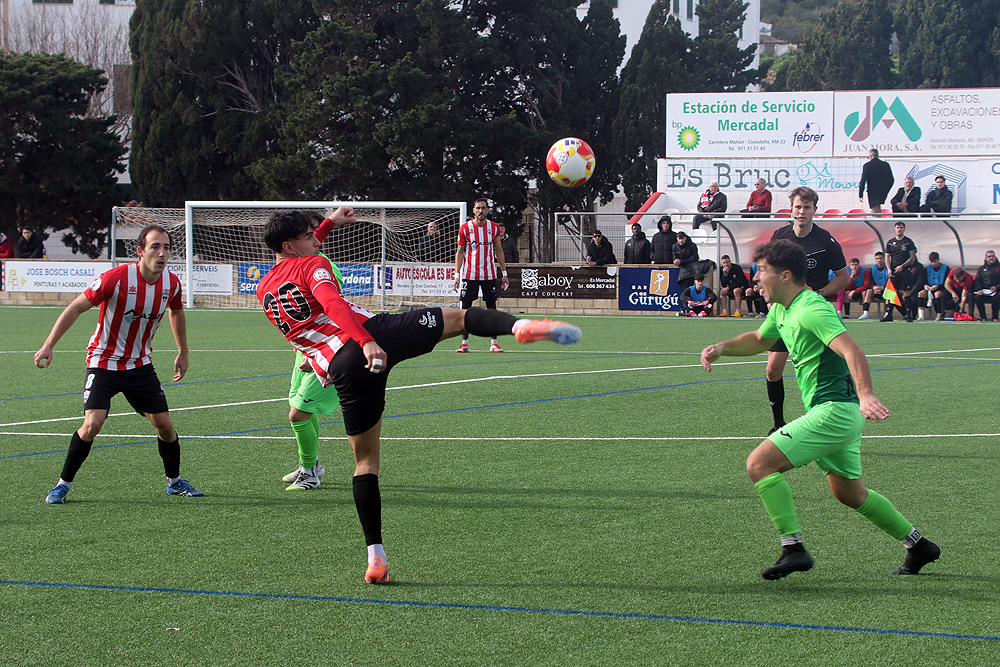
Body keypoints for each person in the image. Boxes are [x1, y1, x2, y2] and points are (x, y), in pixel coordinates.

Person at [256, 209, 582, 584]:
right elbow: (332, 303)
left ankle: (375, 558)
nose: (317, 240)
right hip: (374, 336)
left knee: (365, 463)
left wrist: (330, 222)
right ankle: (520, 326)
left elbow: (305, 279)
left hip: (343, 370)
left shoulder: (265, 289)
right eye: (309, 236)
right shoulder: (313, 264)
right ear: (290, 245)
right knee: (460, 318)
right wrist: (366, 341)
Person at [701, 239, 940, 580]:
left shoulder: (812, 309)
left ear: (785, 276)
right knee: (851, 494)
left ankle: (793, 547)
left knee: (759, 464)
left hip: (835, 412)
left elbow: (851, 350)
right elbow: (760, 339)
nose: (756, 278)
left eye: (762, 271)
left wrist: (866, 395)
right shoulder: (782, 310)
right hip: (839, 415)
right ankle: (919, 545)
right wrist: (722, 348)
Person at [33, 223, 203, 504]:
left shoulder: (171, 283)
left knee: (164, 425)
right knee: (92, 424)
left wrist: (183, 352)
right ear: (140, 251)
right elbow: (76, 307)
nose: (162, 253)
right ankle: (62, 485)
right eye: (155, 247)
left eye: (166, 247)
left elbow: (176, 312)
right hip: (104, 362)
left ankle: (174, 483)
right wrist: (48, 345)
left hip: (140, 365)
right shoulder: (115, 279)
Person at [764, 187, 849, 434]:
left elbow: (844, 278)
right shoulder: (780, 236)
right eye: (798, 206)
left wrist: (818, 293)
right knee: (773, 369)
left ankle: (823, 423)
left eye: (807, 207)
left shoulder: (825, 241)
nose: (802, 211)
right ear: (791, 209)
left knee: (817, 374)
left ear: (815, 210)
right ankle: (778, 425)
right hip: (784, 311)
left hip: (812, 314)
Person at [281, 210, 350, 491]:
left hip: (327, 349)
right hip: (305, 351)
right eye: (309, 235)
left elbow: (335, 312)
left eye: (313, 234)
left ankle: (309, 473)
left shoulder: (322, 269)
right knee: (299, 410)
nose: (316, 239)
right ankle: (310, 464)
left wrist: (318, 355)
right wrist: (331, 221)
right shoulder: (298, 264)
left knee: (297, 414)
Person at [453, 198, 509, 353]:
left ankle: (494, 343)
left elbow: (499, 251)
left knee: (492, 308)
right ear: (473, 210)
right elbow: (460, 252)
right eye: (478, 208)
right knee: (465, 309)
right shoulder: (465, 228)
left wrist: (504, 273)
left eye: (483, 208)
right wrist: (457, 275)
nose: (481, 211)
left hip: (489, 274)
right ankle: (464, 343)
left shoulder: (494, 227)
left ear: (487, 210)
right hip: (469, 275)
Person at [880, 221, 917, 322]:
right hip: (894, 272)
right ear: (895, 229)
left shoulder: (908, 242)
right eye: (897, 227)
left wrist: (902, 266)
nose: (899, 229)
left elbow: (912, 257)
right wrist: (889, 269)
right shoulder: (890, 242)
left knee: (906, 292)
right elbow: (887, 257)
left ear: (904, 229)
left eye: (901, 227)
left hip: (905, 271)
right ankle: (889, 315)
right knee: (891, 292)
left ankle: (908, 315)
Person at [858, 149, 894, 215]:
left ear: (870, 156)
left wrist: (860, 194)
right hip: (882, 190)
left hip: (872, 191)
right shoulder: (885, 165)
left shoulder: (867, 166)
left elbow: (863, 181)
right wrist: (886, 189)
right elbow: (891, 180)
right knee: (877, 208)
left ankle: (876, 221)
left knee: (875, 210)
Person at [920, 252, 951, 321]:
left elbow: (947, 282)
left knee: (937, 294)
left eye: (935, 261)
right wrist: (925, 285)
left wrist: (938, 286)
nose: (933, 263)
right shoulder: (927, 268)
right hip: (930, 289)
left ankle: (939, 314)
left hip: (941, 288)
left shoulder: (946, 268)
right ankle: (921, 316)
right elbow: (923, 280)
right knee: (921, 293)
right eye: (932, 262)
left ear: (938, 260)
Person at [972, 249, 1000, 321]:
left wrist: (996, 287)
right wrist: (979, 289)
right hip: (984, 290)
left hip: (996, 291)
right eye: (989, 256)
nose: (991, 258)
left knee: (996, 298)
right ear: (986, 258)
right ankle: (983, 317)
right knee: (978, 297)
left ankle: (995, 317)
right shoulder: (981, 268)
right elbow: (977, 280)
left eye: (993, 256)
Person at [862, 251, 890, 319]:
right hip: (876, 290)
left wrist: (883, 287)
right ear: (875, 260)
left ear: (884, 259)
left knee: (888, 292)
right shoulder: (872, 269)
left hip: (885, 289)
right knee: (868, 291)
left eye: (880, 258)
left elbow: (891, 281)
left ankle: (887, 313)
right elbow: (870, 282)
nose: (879, 260)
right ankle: (865, 313)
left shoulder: (888, 268)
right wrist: (874, 287)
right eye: (877, 258)